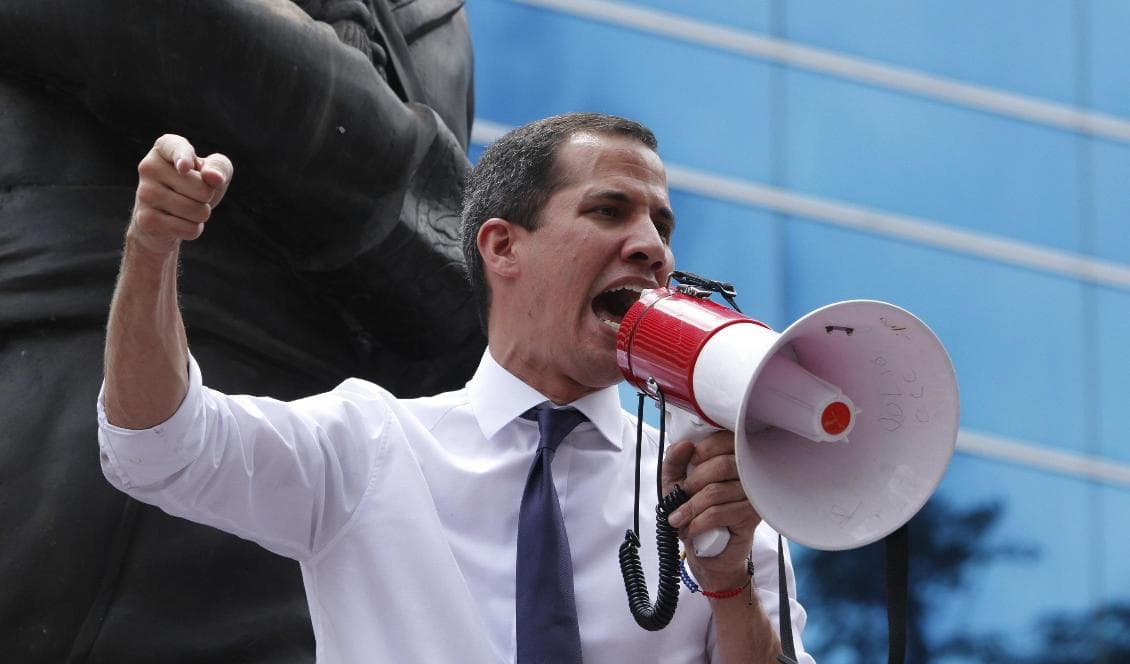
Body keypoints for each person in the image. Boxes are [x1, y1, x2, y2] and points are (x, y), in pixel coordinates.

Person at [98, 113, 816, 662]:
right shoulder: (368, 446)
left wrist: (726, 584)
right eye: (609, 210)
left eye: (662, 224)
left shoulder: (716, 494)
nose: (653, 248)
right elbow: (156, 444)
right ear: (503, 246)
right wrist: (153, 245)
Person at [0, 1, 480, 660]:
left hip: (293, 463)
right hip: (59, 363)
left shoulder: (430, 16)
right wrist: (452, 223)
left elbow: (429, 317)